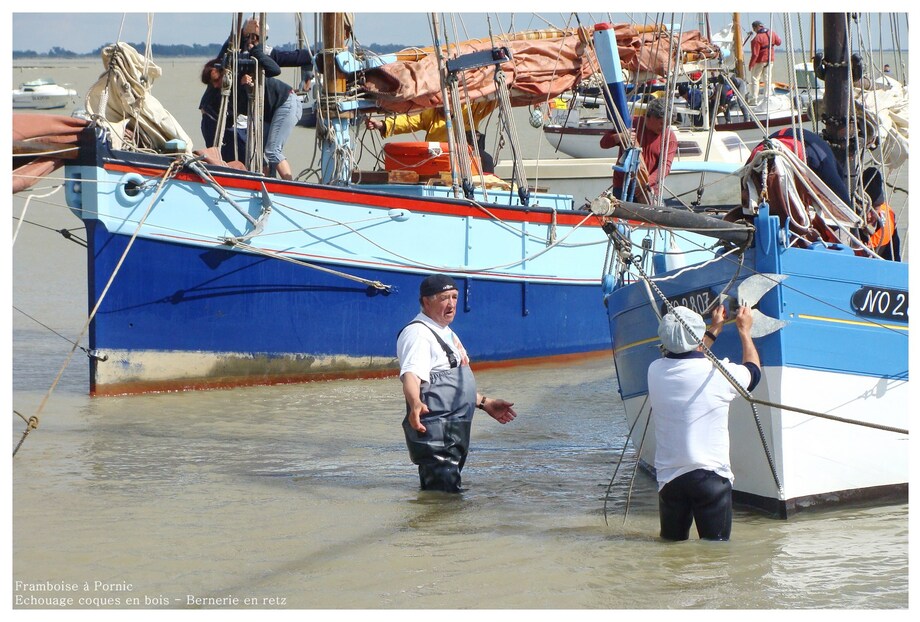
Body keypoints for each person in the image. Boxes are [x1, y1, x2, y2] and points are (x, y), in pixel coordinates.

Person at [647, 304, 762, 541]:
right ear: (698, 335)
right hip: (710, 478)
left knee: (671, 549)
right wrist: (744, 331)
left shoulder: (654, 371)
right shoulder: (719, 374)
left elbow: (688, 355)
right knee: (716, 552)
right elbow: (753, 373)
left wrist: (714, 329)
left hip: (670, 481)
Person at [396, 274, 517, 492]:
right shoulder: (418, 333)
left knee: (448, 494)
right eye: (444, 298)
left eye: (454, 297)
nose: (451, 304)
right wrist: (415, 402)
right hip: (436, 433)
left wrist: (484, 402)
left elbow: (450, 385)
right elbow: (411, 374)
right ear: (426, 301)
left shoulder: (445, 332)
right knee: (441, 499)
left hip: (453, 431)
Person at [599, 96, 678, 204]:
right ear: (649, 116)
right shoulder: (630, 124)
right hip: (622, 186)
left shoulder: (669, 138)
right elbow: (603, 143)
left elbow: (665, 166)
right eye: (661, 123)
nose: (664, 127)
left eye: (667, 124)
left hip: (649, 190)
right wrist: (620, 136)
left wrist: (646, 183)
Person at [862, 167, 901, 261]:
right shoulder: (847, 220)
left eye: (874, 208)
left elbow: (895, 259)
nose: (868, 215)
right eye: (865, 207)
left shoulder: (889, 220)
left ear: (880, 206)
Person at [748, 21, 782, 102]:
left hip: (760, 61)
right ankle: (767, 97)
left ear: (755, 28)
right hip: (770, 60)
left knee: (755, 79)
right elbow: (779, 42)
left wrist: (751, 64)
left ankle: (754, 98)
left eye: (754, 29)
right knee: (767, 79)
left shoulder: (756, 39)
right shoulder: (772, 33)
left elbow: (755, 54)